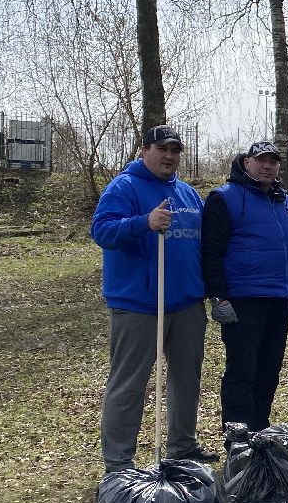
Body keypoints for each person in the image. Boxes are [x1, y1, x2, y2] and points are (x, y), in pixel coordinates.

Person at [91, 124, 213, 471]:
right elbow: (102, 231)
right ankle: (118, 463)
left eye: (175, 151)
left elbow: (200, 245)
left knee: (186, 379)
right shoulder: (124, 187)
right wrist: (144, 222)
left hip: (187, 303)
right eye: (162, 149)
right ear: (144, 150)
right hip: (140, 304)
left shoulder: (189, 194)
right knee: (130, 383)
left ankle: (182, 447)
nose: (170, 156)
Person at [200, 140, 288, 433]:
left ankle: (260, 432)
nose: (267, 166)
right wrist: (218, 296)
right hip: (243, 301)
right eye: (261, 160)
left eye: (273, 161)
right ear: (247, 163)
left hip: (279, 299)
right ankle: (238, 438)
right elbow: (211, 250)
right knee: (242, 371)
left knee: (269, 372)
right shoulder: (224, 198)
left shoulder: (286, 202)